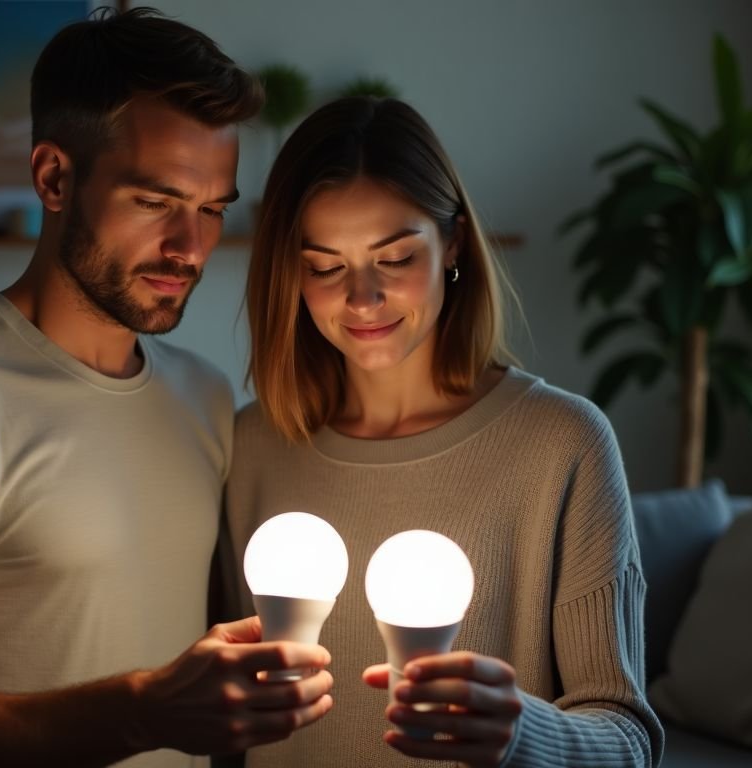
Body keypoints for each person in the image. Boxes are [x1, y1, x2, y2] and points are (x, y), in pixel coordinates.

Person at [0, 9, 334, 767]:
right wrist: (142, 712)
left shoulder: (206, 396)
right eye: (156, 203)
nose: (191, 248)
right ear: (54, 177)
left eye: (212, 210)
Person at [221, 96, 665, 767]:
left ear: (453, 240)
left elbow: (630, 741)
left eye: (395, 257)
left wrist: (521, 734)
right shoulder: (252, 446)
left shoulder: (562, 443)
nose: (362, 297)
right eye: (324, 266)